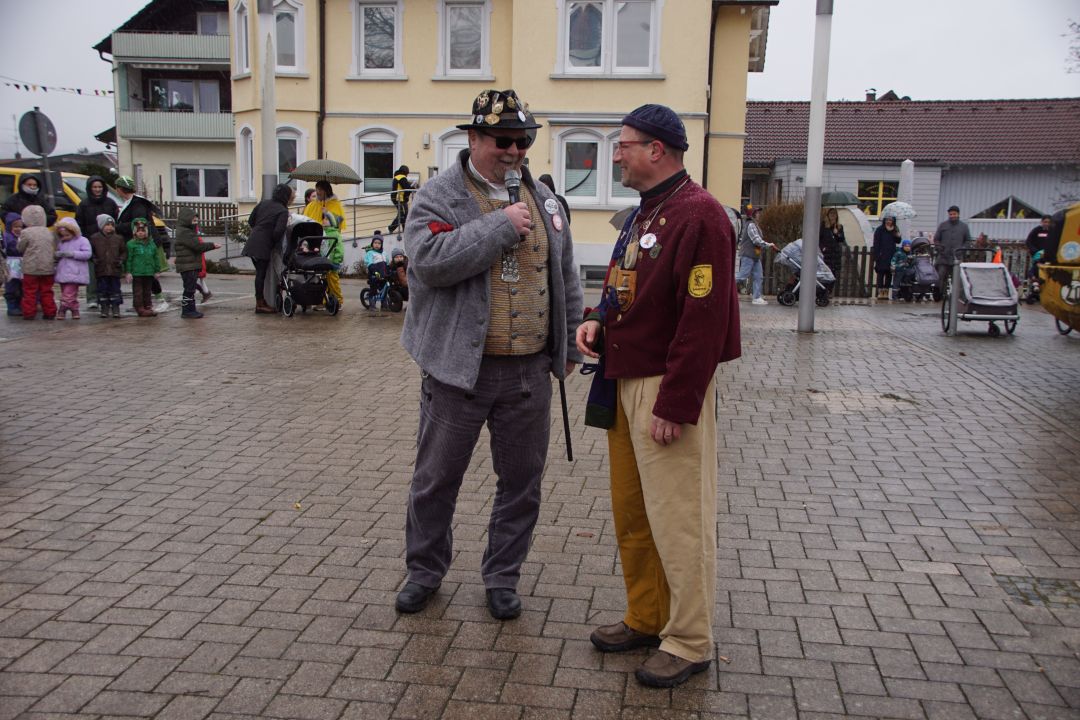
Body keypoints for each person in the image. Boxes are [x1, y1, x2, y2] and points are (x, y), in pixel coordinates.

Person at [396, 88, 584, 621]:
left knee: (522, 483)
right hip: (457, 373)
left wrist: (569, 339)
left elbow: (565, 274)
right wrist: (500, 226)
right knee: (435, 481)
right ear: (474, 138)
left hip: (528, 372)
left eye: (523, 141)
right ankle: (424, 572)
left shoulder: (546, 200)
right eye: (503, 141)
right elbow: (429, 261)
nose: (515, 151)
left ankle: (503, 577)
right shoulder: (436, 196)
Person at [574, 104, 740, 689]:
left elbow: (704, 319)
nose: (616, 154)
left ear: (657, 150)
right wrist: (597, 319)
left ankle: (689, 640)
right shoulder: (646, 211)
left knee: (679, 518)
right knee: (635, 514)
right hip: (622, 378)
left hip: (664, 385)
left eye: (624, 144)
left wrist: (676, 402)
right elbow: (626, 286)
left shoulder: (701, 215)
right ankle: (647, 616)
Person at [113, 175, 170, 312]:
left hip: (146, 244)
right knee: (139, 274)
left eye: (117, 188)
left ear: (121, 189)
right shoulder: (130, 202)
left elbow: (139, 223)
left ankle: (161, 300)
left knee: (148, 273)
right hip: (138, 244)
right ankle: (141, 304)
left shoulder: (137, 204)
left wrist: (117, 227)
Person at [243, 183, 294, 313]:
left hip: (253, 241)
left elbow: (251, 221)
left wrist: (260, 229)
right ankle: (260, 304)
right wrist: (273, 243)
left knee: (260, 274)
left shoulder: (263, 203)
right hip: (263, 245)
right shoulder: (283, 211)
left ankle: (261, 302)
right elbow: (278, 232)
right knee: (261, 274)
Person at [74, 176, 119, 310]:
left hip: (109, 241)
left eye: (100, 187)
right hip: (90, 242)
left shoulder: (110, 203)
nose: (97, 189)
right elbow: (79, 223)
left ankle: (109, 296)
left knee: (108, 271)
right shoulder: (83, 204)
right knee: (92, 271)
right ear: (90, 188)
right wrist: (84, 239)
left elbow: (116, 221)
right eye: (95, 187)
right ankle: (92, 297)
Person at [173, 208, 221, 319]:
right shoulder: (185, 232)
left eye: (196, 221)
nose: (196, 223)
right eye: (194, 221)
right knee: (189, 289)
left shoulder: (186, 231)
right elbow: (197, 246)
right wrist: (212, 245)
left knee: (190, 288)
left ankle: (190, 310)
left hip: (190, 264)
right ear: (187, 219)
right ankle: (187, 311)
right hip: (188, 265)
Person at [15, 205, 57, 320]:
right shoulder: (49, 232)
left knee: (29, 291)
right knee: (47, 291)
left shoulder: (25, 232)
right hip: (47, 267)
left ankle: (29, 313)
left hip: (31, 267)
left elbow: (20, 248)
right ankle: (50, 312)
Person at [735, 206, 778, 304]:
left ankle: (757, 297)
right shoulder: (751, 225)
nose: (759, 214)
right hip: (748, 255)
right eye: (757, 213)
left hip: (755, 256)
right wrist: (769, 245)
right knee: (743, 275)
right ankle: (724, 286)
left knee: (758, 276)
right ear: (752, 215)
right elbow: (756, 240)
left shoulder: (755, 225)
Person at [53, 218, 92, 320]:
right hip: (63, 272)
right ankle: (75, 309)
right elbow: (57, 254)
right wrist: (57, 255)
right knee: (68, 293)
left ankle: (62, 309)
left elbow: (87, 254)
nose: (65, 237)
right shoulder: (61, 243)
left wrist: (73, 254)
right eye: (62, 235)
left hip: (75, 272)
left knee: (68, 294)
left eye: (67, 235)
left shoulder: (82, 240)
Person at [89, 215, 127, 318]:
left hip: (115, 270)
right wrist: (94, 259)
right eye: (107, 225)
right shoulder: (95, 238)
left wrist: (121, 260)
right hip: (101, 270)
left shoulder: (118, 238)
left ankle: (115, 307)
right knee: (102, 290)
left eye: (111, 225)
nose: (110, 227)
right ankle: (104, 307)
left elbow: (123, 252)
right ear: (101, 226)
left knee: (115, 289)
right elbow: (91, 252)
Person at [124, 218, 163, 317]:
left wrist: (157, 270)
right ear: (135, 232)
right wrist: (128, 272)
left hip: (149, 272)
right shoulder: (131, 244)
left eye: (143, 231)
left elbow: (156, 257)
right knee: (138, 292)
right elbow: (128, 259)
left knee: (147, 291)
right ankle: (139, 307)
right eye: (138, 231)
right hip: (137, 273)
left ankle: (148, 306)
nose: (141, 233)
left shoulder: (151, 244)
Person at [933, 205, 972, 295]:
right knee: (940, 276)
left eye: (954, 214)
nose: (952, 216)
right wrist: (939, 248)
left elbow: (968, 241)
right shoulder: (942, 225)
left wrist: (962, 249)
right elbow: (936, 239)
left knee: (957, 279)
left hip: (957, 258)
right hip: (943, 257)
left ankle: (955, 296)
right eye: (950, 214)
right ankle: (939, 295)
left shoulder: (964, 227)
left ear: (958, 214)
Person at [872, 215, 901, 299]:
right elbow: (876, 242)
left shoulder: (895, 230)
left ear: (893, 221)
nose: (888, 222)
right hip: (881, 255)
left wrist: (898, 236)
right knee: (880, 274)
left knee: (889, 275)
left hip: (891, 255)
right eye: (887, 220)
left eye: (890, 220)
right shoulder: (880, 229)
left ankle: (886, 293)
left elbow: (898, 241)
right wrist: (877, 254)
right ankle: (880, 293)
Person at [3, 212, 25, 315]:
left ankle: (20, 305)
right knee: (11, 286)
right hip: (11, 264)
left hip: (21, 264)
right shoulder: (7, 237)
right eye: (15, 226)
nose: (18, 229)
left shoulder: (22, 236)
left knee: (21, 286)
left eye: (20, 226)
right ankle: (12, 307)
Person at [818, 207, 846, 286]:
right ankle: (824, 289)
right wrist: (822, 248)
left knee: (833, 274)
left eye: (834, 214)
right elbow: (819, 238)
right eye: (831, 214)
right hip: (826, 253)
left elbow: (841, 239)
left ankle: (830, 290)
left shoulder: (839, 227)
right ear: (828, 215)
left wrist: (837, 234)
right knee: (825, 272)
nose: (833, 216)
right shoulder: (824, 226)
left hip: (834, 254)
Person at [388, 165, 414, 233]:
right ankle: (391, 228)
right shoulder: (402, 177)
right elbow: (407, 188)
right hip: (399, 198)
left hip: (397, 198)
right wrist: (413, 188)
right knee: (402, 214)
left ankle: (404, 229)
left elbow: (403, 187)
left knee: (404, 214)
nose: (407, 175)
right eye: (407, 173)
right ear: (405, 172)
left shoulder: (397, 177)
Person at [1026, 215, 1052, 279]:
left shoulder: (1053, 231)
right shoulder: (1037, 230)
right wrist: (1035, 251)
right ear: (1041, 222)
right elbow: (1028, 241)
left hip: (1049, 254)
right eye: (1045, 222)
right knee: (1037, 267)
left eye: (1049, 222)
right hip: (1038, 253)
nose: (1047, 224)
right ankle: (1035, 279)